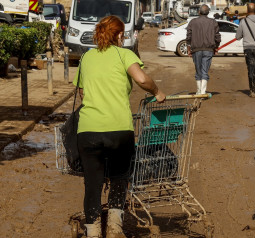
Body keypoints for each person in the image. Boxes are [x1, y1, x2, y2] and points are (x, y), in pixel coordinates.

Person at [73, 15, 166, 238]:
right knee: (118, 178)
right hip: (118, 131)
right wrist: (157, 92)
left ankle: (93, 232)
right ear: (119, 35)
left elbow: (83, 93)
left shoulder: (86, 57)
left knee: (92, 185)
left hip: (88, 131)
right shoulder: (125, 54)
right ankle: (114, 228)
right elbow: (142, 79)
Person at [186, 4, 221, 94]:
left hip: (196, 50)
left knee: (198, 70)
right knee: (205, 70)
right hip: (208, 50)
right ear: (208, 12)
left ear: (199, 12)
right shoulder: (213, 22)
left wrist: (188, 49)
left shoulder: (193, 22)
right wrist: (216, 47)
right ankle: (202, 92)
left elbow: (188, 37)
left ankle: (199, 91)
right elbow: (217, 37)